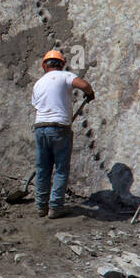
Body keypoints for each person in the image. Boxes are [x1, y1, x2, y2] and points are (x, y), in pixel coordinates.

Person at [32, 49, 94, 218]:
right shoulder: (64, 76)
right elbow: (85, 85)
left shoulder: (38, 83)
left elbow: (36, 107)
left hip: (40, 128)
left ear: (45, 65)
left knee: (42, 168)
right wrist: (89, 94)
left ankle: (40, 206)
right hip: (59, 128)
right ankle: (56, 207)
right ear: (62, 64)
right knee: (60, 168)